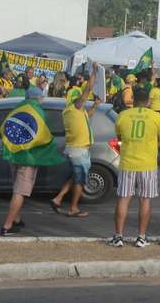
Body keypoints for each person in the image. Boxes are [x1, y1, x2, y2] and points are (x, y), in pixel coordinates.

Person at [0, 86, 64, 235]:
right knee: (20, 192)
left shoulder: (17, 109)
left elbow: (4, 128)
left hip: (14, 155)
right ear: (38, 98)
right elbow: (42, 135)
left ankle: (16, 219)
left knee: (16, 189)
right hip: (28, 158)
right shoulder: (38, 111)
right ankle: (7, 226)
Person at [109, 87, 160, 248]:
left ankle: (118, 236)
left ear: (133, 100)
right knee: (145, 200)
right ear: (148, 101)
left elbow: (120, 138)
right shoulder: (156, 117)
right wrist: (149, 147)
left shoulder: (122, 116)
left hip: (127, 163)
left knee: (123, 199)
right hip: (147, 164)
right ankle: (141, 237)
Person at [50, 66, 100, 217]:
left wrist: (96, 105)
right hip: (79, 151)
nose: (83, 100)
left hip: (76, 150)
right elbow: (88, 88)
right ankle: (73, 208)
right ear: (76, 99)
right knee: (79, 181)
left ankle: (58, 199)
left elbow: (87, 115)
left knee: (75, 177)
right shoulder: (75, 107)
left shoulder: (72, 111)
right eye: (81, 98)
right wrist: (95, 72)